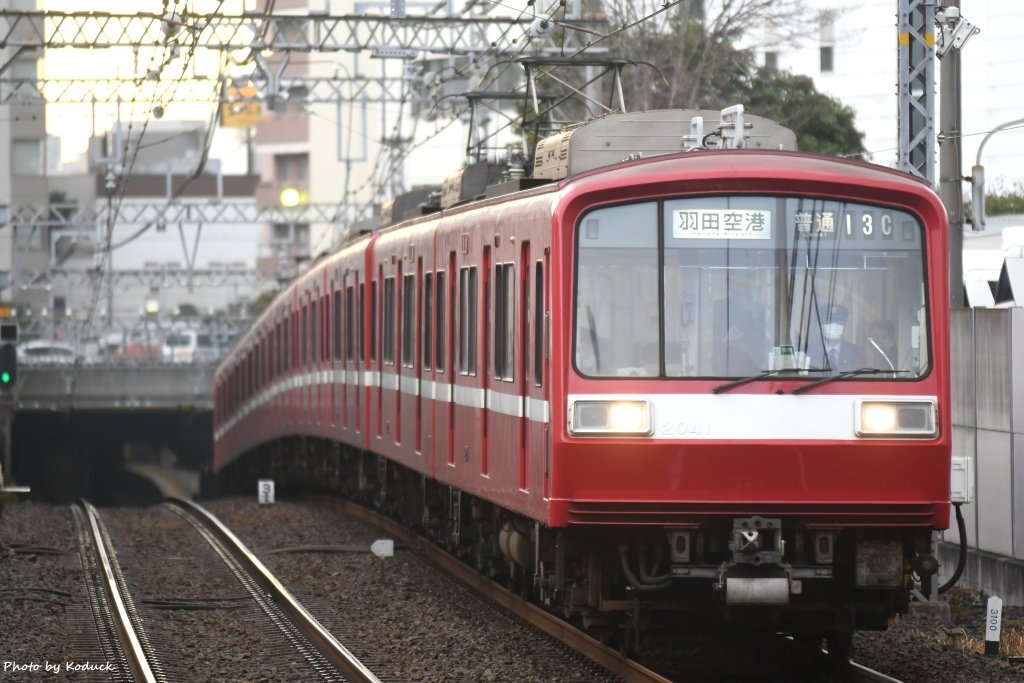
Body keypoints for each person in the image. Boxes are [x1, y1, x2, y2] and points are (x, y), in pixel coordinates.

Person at [810, 303, 863, 372]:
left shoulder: (855, 352)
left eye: (839, 322)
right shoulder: (808, 351)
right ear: (820, 326)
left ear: (844, 326)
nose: (834, 326)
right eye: (829, 322)